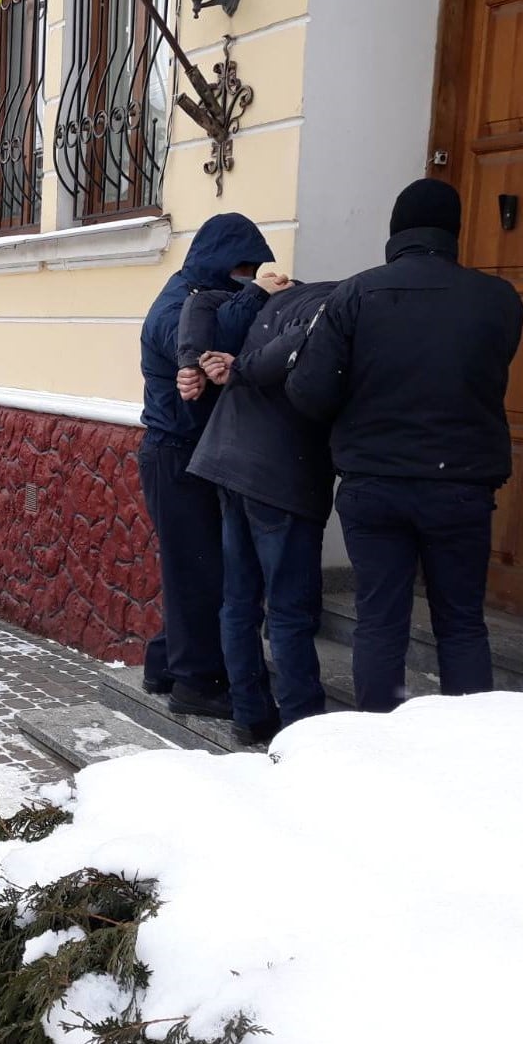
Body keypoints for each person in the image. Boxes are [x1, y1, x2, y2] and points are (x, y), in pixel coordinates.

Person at [284, 179, 523, 712]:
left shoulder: (355, 295)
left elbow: (310, 394)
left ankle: (380, 734)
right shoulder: (499, 300)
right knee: (462, 624)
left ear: (396, 231)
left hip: (375, 484)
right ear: (454, 232)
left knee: (380, 622)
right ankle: (467, 738)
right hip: (461, 484)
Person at [137, 212, 281, 718]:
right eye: (244, 269)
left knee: (192, 568)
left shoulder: (197, 293)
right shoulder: (178, 307)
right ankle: (196, 685)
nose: (248, 277)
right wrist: (257, 296)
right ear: (221, 263)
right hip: (174, 453)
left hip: (187, 452)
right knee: (197, 572)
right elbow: (207, 339)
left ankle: (164, 664)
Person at [186, 282, 339, 744]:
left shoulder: (272, 305)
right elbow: (291, 352)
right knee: (290, 610)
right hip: (280, 478)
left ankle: (250, 713)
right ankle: (301, 724)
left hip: (229, 463)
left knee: (239, 601)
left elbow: (201, 300)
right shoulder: (331, 311)